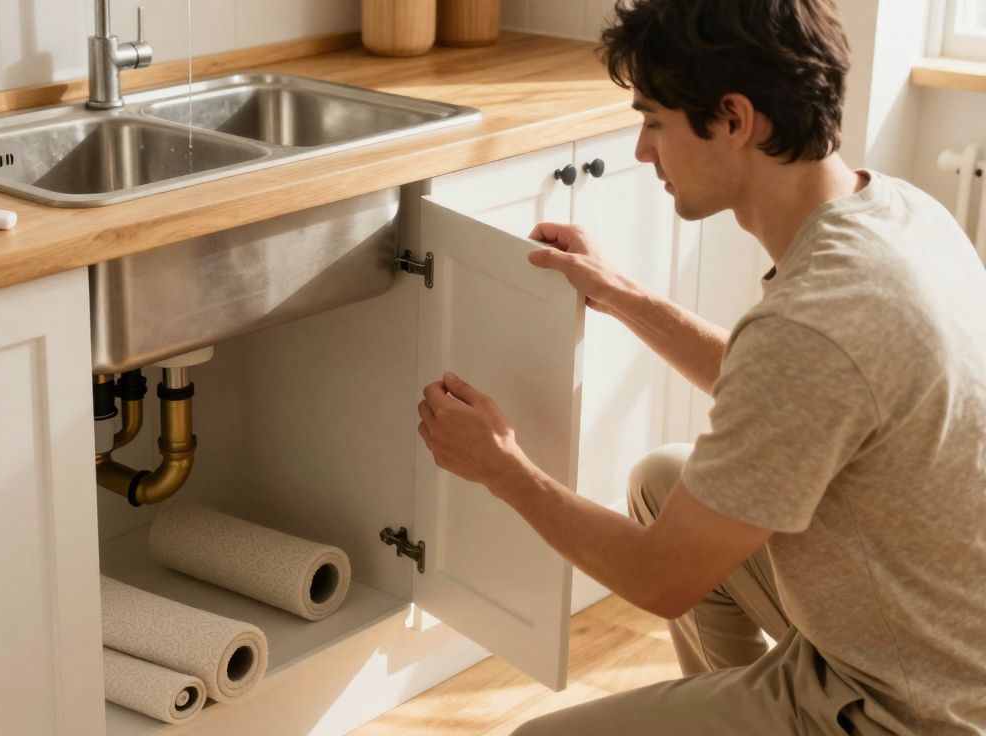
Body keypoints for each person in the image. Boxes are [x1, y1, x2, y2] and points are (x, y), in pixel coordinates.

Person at [415, 0, 986, 733]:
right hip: (940, 647)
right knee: (663, 482)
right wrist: (625, 296)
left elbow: (660, 582)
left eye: (655, 121)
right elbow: (792, 400)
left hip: (908, 708)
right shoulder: (898, 214)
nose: (643, 151)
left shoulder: (815, 323)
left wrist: (502, 467)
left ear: (735, 119)